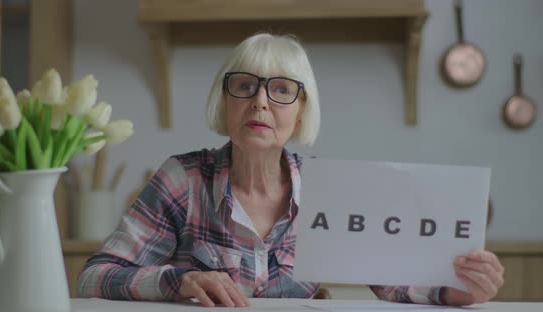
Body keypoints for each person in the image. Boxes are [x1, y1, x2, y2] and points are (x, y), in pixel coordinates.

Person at [77, 33, 504, 307]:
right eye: (244, 86)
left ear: (300, 115)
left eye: (281, 90)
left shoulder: (330, 188)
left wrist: (457, 290)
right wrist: (180, 281)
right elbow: (94, 277)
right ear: (225, 104)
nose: (260, 102)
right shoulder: (183, 179)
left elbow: (391, 284)